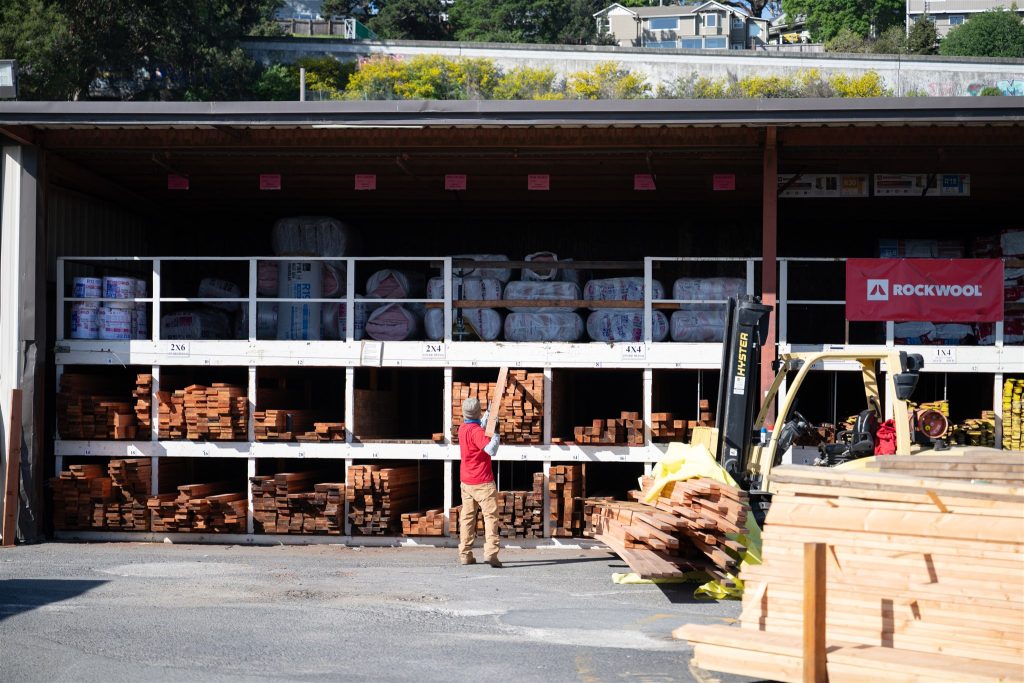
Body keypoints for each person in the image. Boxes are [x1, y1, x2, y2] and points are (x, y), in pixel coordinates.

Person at [457, 397, 501, 567]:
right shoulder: (477, 432)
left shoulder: (462, 429)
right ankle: (491, 554)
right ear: (478, 411)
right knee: (490, 517)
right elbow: (491, 450)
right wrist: (496, 434)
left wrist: (488, 414)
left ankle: (465, 555)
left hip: (466, 482)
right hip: (483, 482)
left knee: (467, 517)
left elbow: (477, 426)